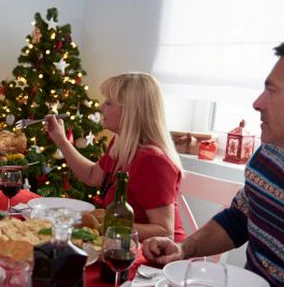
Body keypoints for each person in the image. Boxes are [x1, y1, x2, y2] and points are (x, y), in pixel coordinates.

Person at [143, 34, 284, 287]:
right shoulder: (269, 153)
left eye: (272, 90)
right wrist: (183, 249)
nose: (257, 102)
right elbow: (240, 217)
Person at [45, 72, 185, 241]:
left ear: (131, 111)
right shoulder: (121, 144)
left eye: (109, 103)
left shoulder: (152, 160)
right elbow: (91, 176)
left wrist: (104, 225)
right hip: (121, 245)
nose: (101, 107)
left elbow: (164, 232)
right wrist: (61, 140)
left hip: (156, 259)